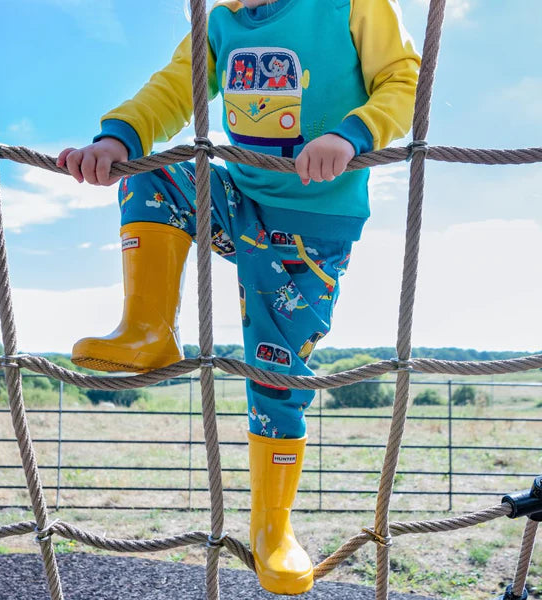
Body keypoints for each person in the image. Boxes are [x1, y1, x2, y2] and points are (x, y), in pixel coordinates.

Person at [57, 0, 420, 593]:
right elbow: (175, 87)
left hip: (309, 230)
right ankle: (149, 330)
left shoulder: (351, 4)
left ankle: (272, 529)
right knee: (151, 172)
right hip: (236, 199)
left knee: (276, 374)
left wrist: (352, 133)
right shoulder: (218, 19)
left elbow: (403, 79)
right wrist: (118, 137)